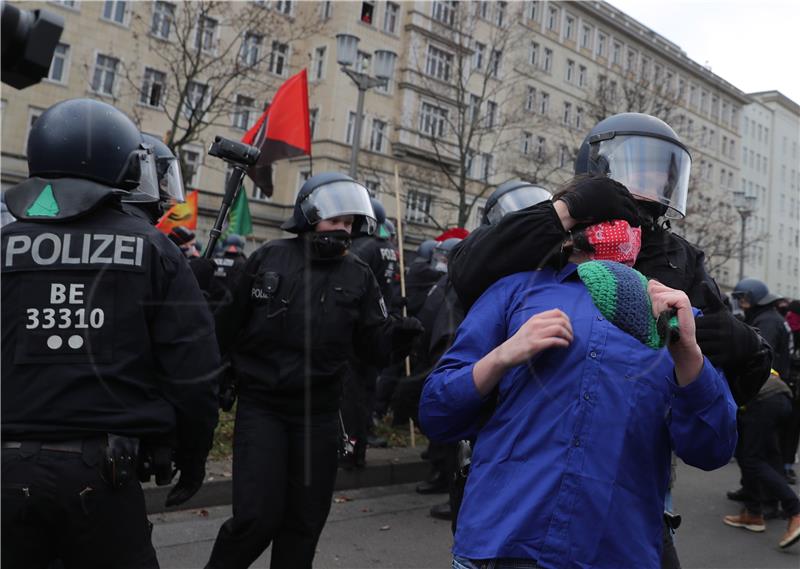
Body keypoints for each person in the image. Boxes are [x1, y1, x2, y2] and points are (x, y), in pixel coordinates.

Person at [420, 182, 738, 568]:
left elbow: (712, 449)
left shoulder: (672, 318)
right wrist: (503, 356)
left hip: (615, 552)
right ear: (569, 231)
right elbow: (437, 412)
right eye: (603, 215)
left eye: (629, 219)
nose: (618, 226)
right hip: (503, 544)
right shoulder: (512, 293)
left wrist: (689, 354)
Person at [1, 98, 220, 568]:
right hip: (99, 476)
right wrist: (193, 451)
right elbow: (194, 372)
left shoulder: (3, 244)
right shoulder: (154, 249)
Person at [206, 172, 423, 569]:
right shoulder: (269, 258)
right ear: (309, 216)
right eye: (334, 220)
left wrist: (399, 337)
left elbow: (372, 347)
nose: (342, 229)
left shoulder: (359, 274)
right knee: (256, 517)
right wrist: (216, 378)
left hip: (320, 414)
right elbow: (227, 325)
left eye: (348, 223)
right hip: (263, 408)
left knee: (303, 523)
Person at [723, 279, 800, 548]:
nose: (740, 304)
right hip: (775, 396)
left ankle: (793, 509)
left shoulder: (765, 322)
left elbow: (756, 361)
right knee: (765, 454)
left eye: (742, 298)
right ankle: (755, 511)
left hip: (764, 397)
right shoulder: (770, 317)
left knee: (751, 457)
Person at [341, 197, 400, 466]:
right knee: (366, 389)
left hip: (357, 329)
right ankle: (359, 446)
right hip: (378, 326)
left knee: (351, 392)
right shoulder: (387, 246)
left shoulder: (361, 249)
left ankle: (350, 449)